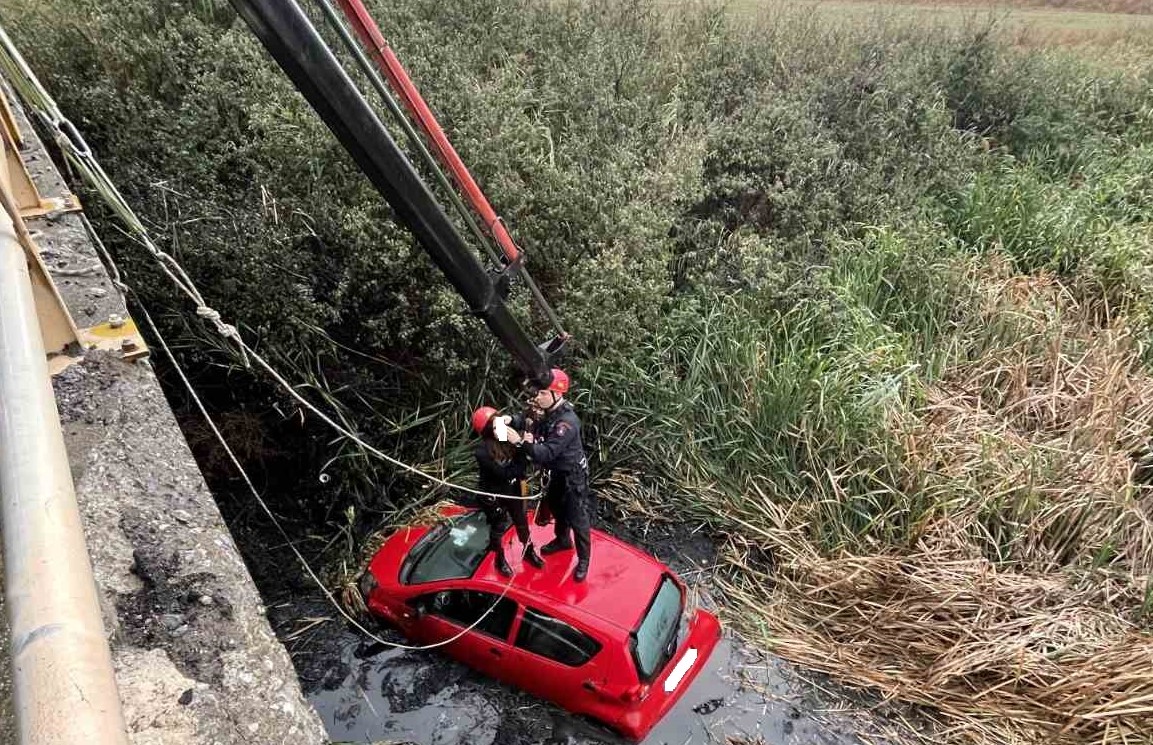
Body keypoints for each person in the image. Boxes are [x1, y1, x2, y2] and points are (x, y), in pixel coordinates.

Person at [506, 368, 594, 582]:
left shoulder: (567, 423)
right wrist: (508, 420)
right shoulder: (546, 411)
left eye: (543, 393)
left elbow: (545, 453)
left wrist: (518, 441)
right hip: (555, 473)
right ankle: (563, 540)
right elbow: (528, 419)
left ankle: (584, 561)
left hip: (572, 476)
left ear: (558, 394)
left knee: (578, 519)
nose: (537, 397)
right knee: (556, 507)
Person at [471, 406, 544, 577]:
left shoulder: (504, 435)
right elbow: (506, 473)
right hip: (495, 494)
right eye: (495, 426)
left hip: (513, 490)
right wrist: (523, 451)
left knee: (521, 522)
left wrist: (523, 444)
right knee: (498, 527)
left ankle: (528, 551)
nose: (500, 428)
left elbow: (524, 419)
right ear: (488, 431)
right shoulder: (482, 452)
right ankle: (499, 558)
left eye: (499, 423)